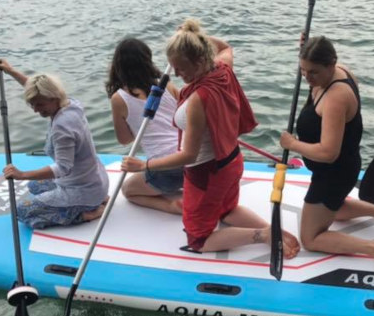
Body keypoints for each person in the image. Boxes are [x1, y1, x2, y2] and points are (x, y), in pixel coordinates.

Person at [121, 19, 300, 258]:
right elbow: (226, 47)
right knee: (226, 210)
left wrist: (144, 165)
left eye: (181, 68)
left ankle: (262, 235)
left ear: (198, 62)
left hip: (206, 175)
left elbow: (189, 155)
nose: (176, 74)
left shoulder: (197, 100)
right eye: (173, 67)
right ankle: (271, 229)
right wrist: (198, 38)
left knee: (199, 239)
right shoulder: (222, 69)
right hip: (232, 160)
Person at [280, 36, 374, 276]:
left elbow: (328, 153)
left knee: (311, 237)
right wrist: (307, 49)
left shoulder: (336, 96)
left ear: (331, 64)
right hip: (340, 167)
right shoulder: (334, 72)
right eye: (303, 71)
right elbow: (317, 63)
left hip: (333, 173)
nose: (307, 78)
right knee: (332, 210)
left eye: (313, 72)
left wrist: (293, 144)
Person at [0, 59, 109, 229]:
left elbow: (63, 168)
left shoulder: (63, 127)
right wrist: (10, 71)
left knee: (23, 211)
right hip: (95, 180)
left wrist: (22, 174)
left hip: (84, 190)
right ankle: (98, 198)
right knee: (33, 186)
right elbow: (37, 89)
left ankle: (88, 213)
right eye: (32, 104)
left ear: (53, 98)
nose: (35, 109)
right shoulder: (71, 104)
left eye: (39, 104)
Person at [106, 38, 183, 214]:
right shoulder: (167, 85)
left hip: (164, 168)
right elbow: (185, 116)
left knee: (128, 190)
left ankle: (171, 207)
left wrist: (135, 122)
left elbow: (125, 139)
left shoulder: (119, 99)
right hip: (189, 158)